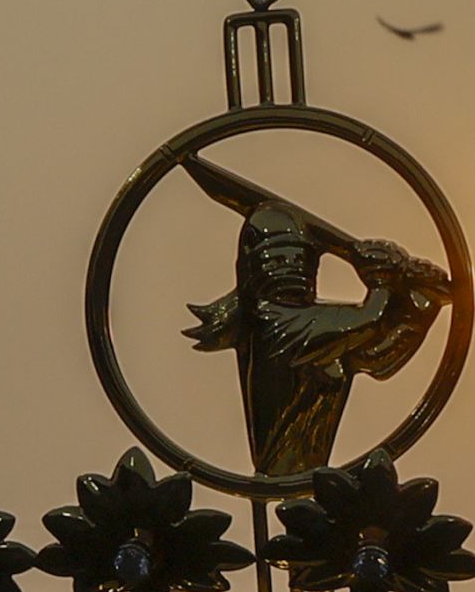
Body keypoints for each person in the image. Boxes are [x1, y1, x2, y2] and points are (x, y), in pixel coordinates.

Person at [184, 199, 451, 476]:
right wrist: (381, 278)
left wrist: (418, 304)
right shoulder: (275, 322)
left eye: (298, 261)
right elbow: (369, 321)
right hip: (282, 460)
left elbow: (374, 357)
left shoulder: (305, 321)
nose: (290, 269)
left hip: (308, 450)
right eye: (277, 260)